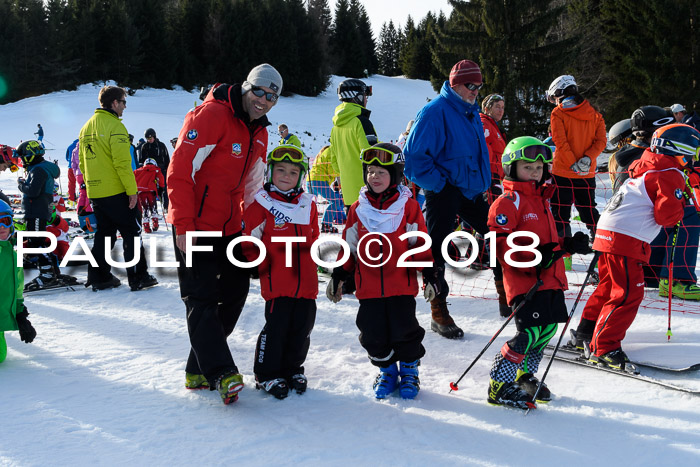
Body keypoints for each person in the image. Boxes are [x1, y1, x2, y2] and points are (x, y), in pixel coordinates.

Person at [167, 63, 282, 405]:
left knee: (235, 291)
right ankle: (220, 371)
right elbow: (180, 171)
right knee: (200, 297)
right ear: (247, 87)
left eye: (272, 96)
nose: (264, 100)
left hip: (230, 226)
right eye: (259, 92)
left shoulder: (259, 131)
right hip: (196, 222)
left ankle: (196, 368)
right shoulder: (212, 115)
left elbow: (252, 185)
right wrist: (183, 224)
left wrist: (254, 230)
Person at [570, 124, 700, 371]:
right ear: (681, 149)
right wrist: (681, 204)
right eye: (693, 151)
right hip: (625, 238)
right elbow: (666, 216)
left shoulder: (647, 165)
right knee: (628, 294)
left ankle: (585, 333)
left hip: (609, 232)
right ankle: (605, 347)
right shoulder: (669, 172)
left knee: (609, 287)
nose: (693, 157)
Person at [326, 143, 439, 400]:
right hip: (368, 289)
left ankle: (409, 371)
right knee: (372, 334)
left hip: (400, 286)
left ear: (396, 176)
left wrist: (430, 274)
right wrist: (340, 275)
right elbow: (350, 246)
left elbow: (419, 243)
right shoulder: (358, 209)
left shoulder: (407, 207)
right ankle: (387, 370)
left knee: (405, 331)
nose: (374, 177)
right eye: (371, 171)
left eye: (381, 172)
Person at [486, 136, 590, 410]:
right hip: (525, 281)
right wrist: (533, 256)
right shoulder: (509, 201)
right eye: (527, 167)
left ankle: (524, 376)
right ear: (511, 167)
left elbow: (549, 247)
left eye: (539, 167)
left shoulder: (543, 200)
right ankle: (499, 384)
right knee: (528, 334)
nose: (534, 172)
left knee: (545, 331)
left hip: (550, 280)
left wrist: (567, 246)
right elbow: (498, 243)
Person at [403, 59, 492, 339]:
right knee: (437, 250)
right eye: (470, 85)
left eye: (479, 85)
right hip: (443, 192)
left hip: (470, 190)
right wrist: (440, 186)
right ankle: (438, 309)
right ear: (454, 84)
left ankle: (512, 296)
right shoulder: (435, 112)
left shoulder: (470, 112)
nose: (475, 90)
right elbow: (414, 159)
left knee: (499, 231)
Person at [242, 145, 319, 400]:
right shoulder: (262, 203)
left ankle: (292, 368)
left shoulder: (307, 204)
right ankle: (266, 374)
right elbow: (249, 238)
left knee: (302, 328)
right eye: (281, 170)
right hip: (278, 282)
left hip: (306, 282)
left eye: (293, 172)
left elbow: (314, 236)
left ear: (301, 177)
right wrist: (256, 262)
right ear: (271, 172)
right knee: (276, 328)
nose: (287, 176)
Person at [78, 85, 157, 292]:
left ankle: (99, 276)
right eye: (123, 102)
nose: (125, 107)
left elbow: (82, 163)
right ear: (114, 103)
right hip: (116, 190)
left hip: (96, 192)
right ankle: (139, 276)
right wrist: (132, 191)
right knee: (132, 231)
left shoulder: (86, 127)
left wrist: (89, 187)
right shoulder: (115, 127)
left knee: (104, 235)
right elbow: (123, 164)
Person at [546, 74, 606, 239]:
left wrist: (573, 163)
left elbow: (560, 142)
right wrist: (587, 159)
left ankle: (563, 245)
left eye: (553, 98)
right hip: (587, 172)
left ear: (559, 93)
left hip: (563, 171)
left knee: (560, 211)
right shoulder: (595, 112)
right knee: (588, 209)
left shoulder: (558, 113)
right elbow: (601, 141)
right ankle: (600, 241)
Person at [15, 140, 70, 291]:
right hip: (37, 211)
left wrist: (20, 184)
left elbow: (33, 191)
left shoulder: (38, 170)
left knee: (36, 243)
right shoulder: (39, 168)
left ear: (30, 156)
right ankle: (53, 272)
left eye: (23, 157)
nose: (22, 161)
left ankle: (47, 274)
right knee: (37, 242)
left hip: (37, 212)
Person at [329, 78, 377, 208]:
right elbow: (373, 155)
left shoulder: (335, 128)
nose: (366, 100)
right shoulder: (361, 122)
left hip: (348, 195)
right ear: (357, 97)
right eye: (365, 96)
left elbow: (335, 162)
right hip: (368, 194)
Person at [0, 200, 37, 364]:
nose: (1, 227)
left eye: (5, 221)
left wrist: (20, 314)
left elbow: (17, 288)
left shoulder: (13, 256)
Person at [308, 145, 345, 233]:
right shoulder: (333, 151)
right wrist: (342, 173)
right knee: (335, 201)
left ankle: (307, 225)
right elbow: (332, 168)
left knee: (310, 204)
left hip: (310, 179)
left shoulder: (324, 153)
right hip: (319, 180)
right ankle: (326, 224)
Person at [480, 93, 507, 202]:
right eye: (497, 107)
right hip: (489, 175)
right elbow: (483, 149)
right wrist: (487, 173)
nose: (501, 110)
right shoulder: (484, 123)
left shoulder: (493, 125)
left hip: (496, 175)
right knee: (491, 210)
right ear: (487, 109)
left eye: (502, 107)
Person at [139, 128, 170, 211]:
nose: (149, 140)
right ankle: (153, 208)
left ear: (154, 136)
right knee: (151, 189)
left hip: (161, 169)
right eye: (147, 139)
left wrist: (167, 168)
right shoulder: (145, 146)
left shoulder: (161, 145)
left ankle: (166, 206)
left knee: (163, 188)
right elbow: (141, 160)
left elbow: (166, 158)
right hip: (149, 172)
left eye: (150, 138)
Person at [134, 158, 165, 233]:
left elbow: (132, 178)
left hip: (141, 191)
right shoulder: (156, 170)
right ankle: (155, 223)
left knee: (145, 208)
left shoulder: (138, 171)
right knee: (153, 207)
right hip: (151, 191)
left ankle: (146, 226)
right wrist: (161, 188)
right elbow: (160, 179)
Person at [65, 138, 79, 204]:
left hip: (70, 167)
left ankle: (71, 199)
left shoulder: (70, 146)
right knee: (82, 183)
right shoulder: (82, 145)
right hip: (80, 168)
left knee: (71, 183)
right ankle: (81, 198)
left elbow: (67, 158)